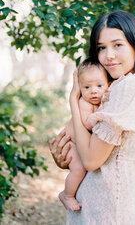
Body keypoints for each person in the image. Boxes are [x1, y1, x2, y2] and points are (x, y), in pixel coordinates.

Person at [49, 10, 135, 225]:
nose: (108, 55)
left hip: (107, 211)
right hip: (112, 207)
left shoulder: (128, 87)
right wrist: (69, 160)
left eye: (117, 45)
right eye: (101, 48)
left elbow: (92, 160)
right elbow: (97, 155)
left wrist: (74, 101)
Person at [52, 58, 109, 211]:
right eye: (87, 87)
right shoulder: (84, 103)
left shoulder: (98, 103)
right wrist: (100, 115)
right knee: (78, 169)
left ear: (108, 85)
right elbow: (86, 123)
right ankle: (67, 195)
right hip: (70, 143)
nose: (94, 91)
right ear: (79, 89)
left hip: (78, 142)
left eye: (99, 85)